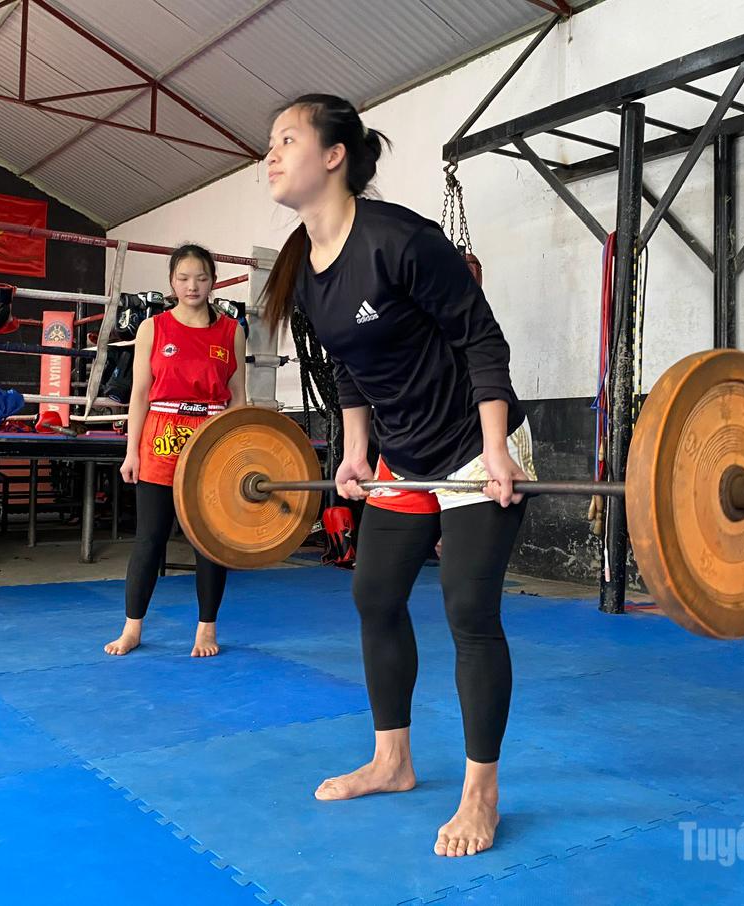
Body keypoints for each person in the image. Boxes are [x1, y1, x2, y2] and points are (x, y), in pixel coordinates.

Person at [261, 94, 535, 858]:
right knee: (373, 593)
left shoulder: (400, 239)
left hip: (477, 444)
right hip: (403, 455)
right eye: (270, 144)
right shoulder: (306, 268)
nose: (272, 155)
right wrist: (353, 454)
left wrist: (498, 453)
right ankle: (393, 760)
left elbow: (483, 338)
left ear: (334, 154)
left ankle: (481, 790)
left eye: (287, 140)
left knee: (467, 614)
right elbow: (351, 367)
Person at [106, 244, 247, 658]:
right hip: (160, 439)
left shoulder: (231, 331)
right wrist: (130, 452)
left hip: (211, 440)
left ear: (213, 282)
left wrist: (239, 450)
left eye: (201, 278)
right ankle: (132, 627)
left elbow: (238, 397)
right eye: (184, 278)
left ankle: (206, 628)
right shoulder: (153, 327)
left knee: (209, 540)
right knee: (150, 538)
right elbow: (139, 395)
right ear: (171, 281)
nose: (192, 286)